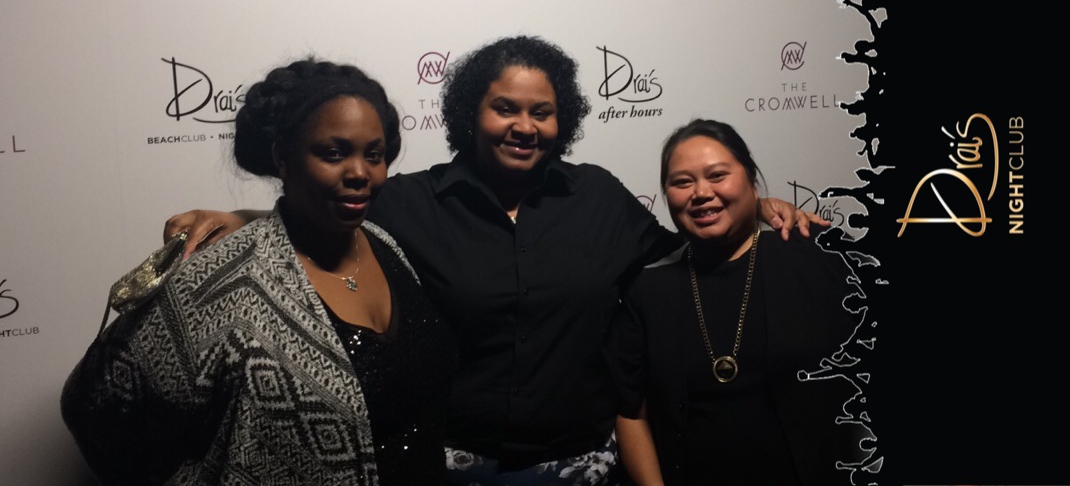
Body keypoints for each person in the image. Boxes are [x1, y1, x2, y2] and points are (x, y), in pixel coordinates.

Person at [164, 37, 821, 485]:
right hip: (449, 467)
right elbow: (329, 215)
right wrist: (244, 220)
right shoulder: (411, 203)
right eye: (505, 108)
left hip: (585, 468)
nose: (524, 125)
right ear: (469, 112)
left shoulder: (598, 197)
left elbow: (684, 255)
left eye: (542, 112)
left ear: (563, 122)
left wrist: (753, 209)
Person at [62, 59, 458, 485]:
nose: (360, 172)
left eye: (373, 155)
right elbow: (96, 402)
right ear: (283, 158)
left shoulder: (385, 244)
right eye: (333, 153)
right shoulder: (224, 278)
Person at [611, 119, 860, 486]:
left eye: (717, 175)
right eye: (682, 182)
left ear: (752, 181)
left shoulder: (824, 257)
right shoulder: (648, 290)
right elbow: (632, 413)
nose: (701, 192)